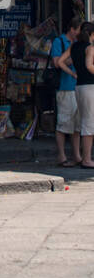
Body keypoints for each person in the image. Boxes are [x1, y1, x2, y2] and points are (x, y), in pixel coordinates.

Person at [52, 17, 82, 166]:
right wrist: (73, 57)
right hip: (65, 86)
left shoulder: (78, 43)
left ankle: (77, 155)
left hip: (78, 86)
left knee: (76, 124)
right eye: (78, 30)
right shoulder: (60, 41)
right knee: (63, 122)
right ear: (72, 29)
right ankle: (62, 155)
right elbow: (57, 62)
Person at [68, 21, 94, 169]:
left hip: (79, 86)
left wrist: (73, 73)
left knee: (83, 121)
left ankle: (81, 156)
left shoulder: (74, 47)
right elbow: (89, 65)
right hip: (90, 86)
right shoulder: (89, 48)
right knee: (88, 123)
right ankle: (87, 159)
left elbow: (61, 61)